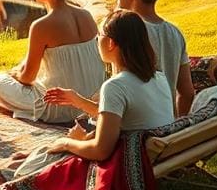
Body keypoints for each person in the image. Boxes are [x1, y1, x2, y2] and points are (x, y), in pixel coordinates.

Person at [43, 10, 174, 161]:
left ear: (111, 43)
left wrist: (67, 143)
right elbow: (122, 114)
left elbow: (100, 151)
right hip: (156, 156)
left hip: (132, 164)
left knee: (46, 155)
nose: (97, 41)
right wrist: (78, 100)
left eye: (99, 36)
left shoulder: (115, 86)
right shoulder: (159, 77)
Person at [0, 0, 106, 123]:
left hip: (60, 107)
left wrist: (13, 74)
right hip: (91, 103)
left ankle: (21, 112)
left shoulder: (41, 26)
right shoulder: (86, 16)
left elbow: (27, 77)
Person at [116, 0, 194, 115]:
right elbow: (187, 93)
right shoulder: (175, 33)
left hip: (135, 126)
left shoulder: (127, 31)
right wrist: (176, 127)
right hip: (165, 126)